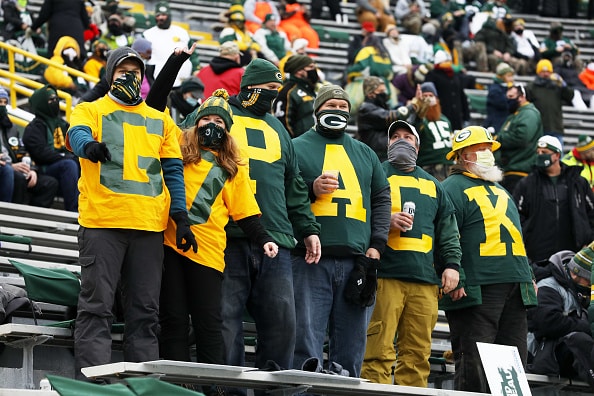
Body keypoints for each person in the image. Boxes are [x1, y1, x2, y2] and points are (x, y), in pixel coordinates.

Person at [65, 46, 197, 379]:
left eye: (135, 72)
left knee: (145, 313)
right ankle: (95, 382)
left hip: (149, 227)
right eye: (123, 70)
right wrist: (88, 147)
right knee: (97, 308)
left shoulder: (160, 118)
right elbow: (76, 133)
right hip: (102, 223)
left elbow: (174, 171)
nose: (130, 76)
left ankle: (142, 383)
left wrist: (180, 217)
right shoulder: (91, 109)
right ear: (110, 74)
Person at [220, 59, 321, 389]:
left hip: (276, 237)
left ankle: (273, 392)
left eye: (277, 90)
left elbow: (293, 185)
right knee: (225, 324)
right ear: (249, 86)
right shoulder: (220, 114)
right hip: (228, 234)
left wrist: (307, 228)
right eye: (268, 88)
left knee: (282, 327)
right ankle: (227, 391)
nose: (272, 95)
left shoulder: (279, 129)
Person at [159, 89, 278, 367]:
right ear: (196, 121)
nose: (212, 125)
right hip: (168, 243)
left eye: (220, 121)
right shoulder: (177, 144)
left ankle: (214, 387)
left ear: (227, 130)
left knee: (209, 322)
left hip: (208, 251)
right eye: (207, 118)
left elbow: (245, 212)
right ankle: (177, 384)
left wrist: (264, 240)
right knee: (173, 318)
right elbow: (157, 110)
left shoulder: (233, 167)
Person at [292, 84, 391, 378]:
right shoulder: (296, 146)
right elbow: (285, 193)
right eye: (331, 107)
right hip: (309, 259)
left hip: (355, 261)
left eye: (343, 109)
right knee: (305, 342)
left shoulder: (365, 152)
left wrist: (377, 245)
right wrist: (311, 189)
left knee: (351, 347)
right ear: (318, 110)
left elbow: (382, 197)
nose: (337, 112)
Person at [361, 120, 461, 387]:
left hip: (425, 281)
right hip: (385, 275)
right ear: (387, 143)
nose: (402, 140)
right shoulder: (374, 175)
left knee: (417, 357)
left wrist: (451, 265)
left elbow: (448, 231)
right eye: (395, 136)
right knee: (377, 353)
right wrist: (384, 221)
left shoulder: (435, 185)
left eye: (408, 136)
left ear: (418, 145)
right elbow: (356, 217)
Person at [441, 125, 537, 393]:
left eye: (488, 148)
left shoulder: (501, 190)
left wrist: (528, 275)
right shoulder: (450, 188)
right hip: (477, 284)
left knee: (512, 365)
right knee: (475, 362)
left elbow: (516, 237)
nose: (486, 153)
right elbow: (445, 235)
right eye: (479, 149)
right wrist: (454, 270)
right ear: (461, 155)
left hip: (514, 283)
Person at [513, 135, 594, 263]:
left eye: (544, 152)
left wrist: (588, 242)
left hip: (573, 256)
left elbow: (591, 213)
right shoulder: (526, 183)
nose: (540, 155)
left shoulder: (578, 182)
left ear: (557, 155)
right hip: (538, 257)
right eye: (538, 152)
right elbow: (516, 216)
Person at [528, 247, 594, 390]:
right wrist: (585, 325)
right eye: (589, 282)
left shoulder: (580, 293)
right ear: (577, 274)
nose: (590, 287)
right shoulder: (548, 286)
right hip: (542, 352)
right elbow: (548, 322)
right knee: (579, 339)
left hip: (569, 356)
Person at [22, 84, 79, 212]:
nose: (55, 103)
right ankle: (74, 210)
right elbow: (40, 153)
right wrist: (63, 156)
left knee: (83, 161)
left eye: (56, 99)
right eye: (50, 100)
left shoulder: (63, 124)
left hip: (65, 165)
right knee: (69, 164)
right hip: (43, 169)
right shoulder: (34, 128)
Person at [0, 87, 58, 207]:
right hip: (6, 169)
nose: (3, 106)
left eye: (5, 102)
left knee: (49, 183)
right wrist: (12, 166)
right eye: (0, 102)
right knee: (12, 174)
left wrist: (32, 170)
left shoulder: (11, 128)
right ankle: (9, 216)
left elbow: (22, 150)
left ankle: (35, 223)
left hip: (15, 169)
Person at [495, 84, 543, 193]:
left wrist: (498, 138)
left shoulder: (529, 113)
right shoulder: (516, 114)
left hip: (520, 169)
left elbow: (522, 137)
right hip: (511, 168)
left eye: (511, 97)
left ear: (521, 97)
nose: (508, 100)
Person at [143, 1, 191, 88]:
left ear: (169, 16)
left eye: (163, 15)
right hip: (158, 80)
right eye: (158, 15)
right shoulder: (148, 34)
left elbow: (193, 53)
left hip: (182, 80)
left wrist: (195, 68)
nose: (161, 18)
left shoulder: (182, 32)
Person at [527, 59, 574, 147]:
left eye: (548, 71)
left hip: (555, 126)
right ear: (538, 72)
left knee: (558, 155)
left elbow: (570, 96)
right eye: (543, 71)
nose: (545, 74)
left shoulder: (557, 86)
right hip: (539, 127)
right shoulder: (531, 87)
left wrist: (563, 85)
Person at [415, 82, 454, 182]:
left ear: (436, 99)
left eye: (431, 95)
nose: (428, 98)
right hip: (428, 165)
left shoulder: (445, 119)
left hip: (448, 165)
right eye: (425, 95)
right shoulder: (418, 119)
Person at [356, 76, 400, 162]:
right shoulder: (365, 109)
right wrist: (412, 107)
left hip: (384, 155)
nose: (385, 94)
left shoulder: (381, 106)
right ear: (370, 94)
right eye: (381, 91)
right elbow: (391, 117)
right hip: (372, 156)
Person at [273, 54, 317, 138]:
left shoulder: (309, 90)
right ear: (299, 71)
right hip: (298, 145)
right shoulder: (288, 92)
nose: (314, 70)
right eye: (311, 67)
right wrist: (295, 144)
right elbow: (283, 124)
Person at [424, 50, 469, 131]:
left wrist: (466, 115)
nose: (448, 63)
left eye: (448, 61)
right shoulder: (432, 75)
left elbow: (461, 96)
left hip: (456, 116)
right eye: (445, 61)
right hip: (441, 115)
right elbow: (429, 95)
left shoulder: (455, 75)